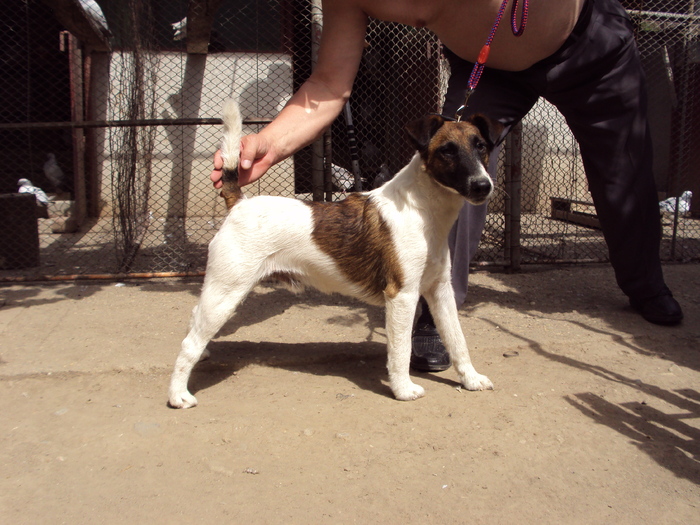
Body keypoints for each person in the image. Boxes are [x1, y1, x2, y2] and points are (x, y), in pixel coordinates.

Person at [211, 0, 684, 372]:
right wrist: (270, 142)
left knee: (624, 172)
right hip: (489, 67)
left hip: (590, 46)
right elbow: (329, 84)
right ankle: (435, 312)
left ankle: (644, 282)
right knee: (450, 177)